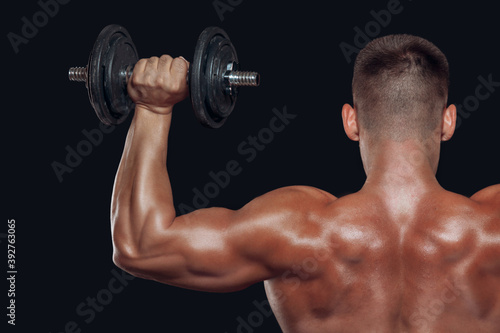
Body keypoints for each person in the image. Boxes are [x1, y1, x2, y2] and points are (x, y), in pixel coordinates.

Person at [110, 34, 500, 332]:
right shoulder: (490, 230)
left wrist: (153, 108)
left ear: (351, 121)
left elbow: (141, 246)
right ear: (448, 121)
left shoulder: (298, 230)